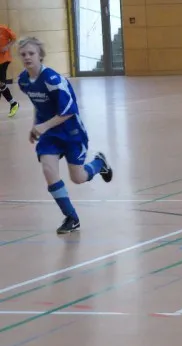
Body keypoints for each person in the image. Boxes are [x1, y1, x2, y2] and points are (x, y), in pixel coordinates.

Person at [17, 37, 113, 234]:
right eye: (23, 54)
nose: (27, 57)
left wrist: (43, 126)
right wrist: (36, 126)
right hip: (49, 134)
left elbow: (69, 111)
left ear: (40, 56)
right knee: (48, 170)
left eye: (31, 53)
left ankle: (99, 164)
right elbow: (38, 105)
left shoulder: (53, 80)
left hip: (71, 132)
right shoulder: (23, 80)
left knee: (78, 177)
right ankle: (71, 217)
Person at [0, 24, 19, 118]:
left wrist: (7, 46)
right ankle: (13, 103)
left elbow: (14, 38)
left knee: (1, 83)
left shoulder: (4, 29)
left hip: (4, 60)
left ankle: (13, 103)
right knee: (1, 85)